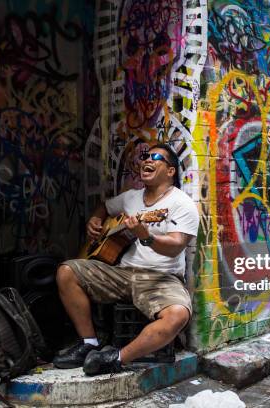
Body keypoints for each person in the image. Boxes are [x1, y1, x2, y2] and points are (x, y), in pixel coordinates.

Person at [54, 143, 200, 376]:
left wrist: (147, 236)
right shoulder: (131, 198)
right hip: (121, 272)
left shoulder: (181, 204)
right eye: (144, 157)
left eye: (155, 157)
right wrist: (95, 219)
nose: (146, 160)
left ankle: (117, 358)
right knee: (67, 271)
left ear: (170, 171)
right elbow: (105, 206)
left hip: (160, 278)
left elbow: (176, 246)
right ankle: (89, 343)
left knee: (178, 315)